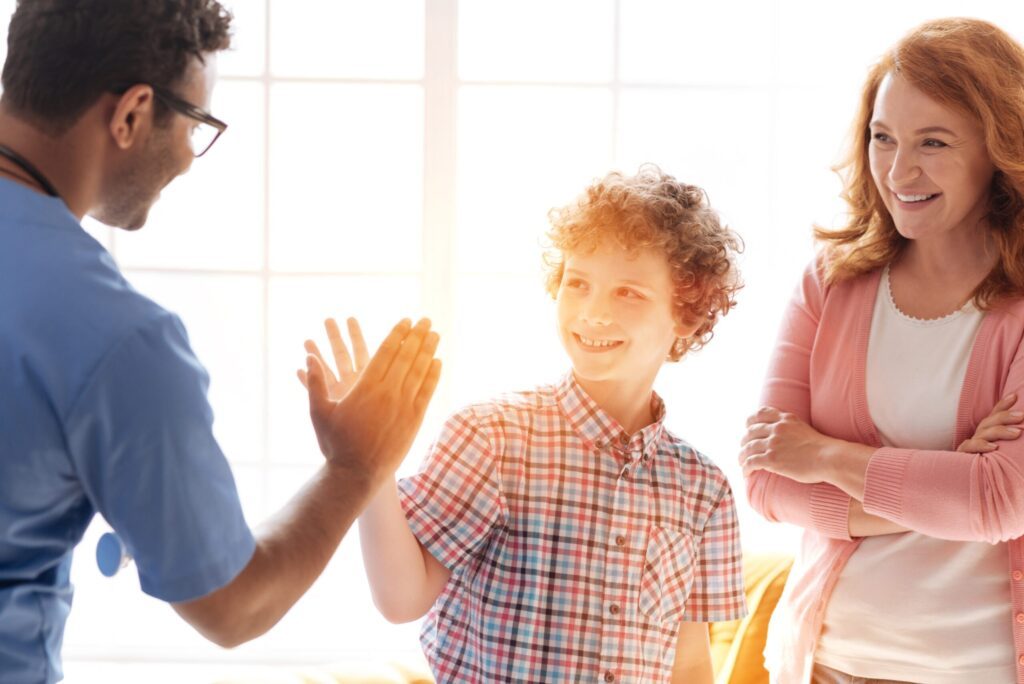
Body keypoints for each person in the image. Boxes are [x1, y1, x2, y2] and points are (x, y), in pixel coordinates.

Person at [0, 2, 441, 683]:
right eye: (196, 125)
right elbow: (233, 606)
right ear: (132, 114)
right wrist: (354, 467)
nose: (188, 158)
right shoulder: (120, 341)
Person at [305, 165, 748, 682]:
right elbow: (401, 599)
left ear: (686, 314)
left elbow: (690, 664)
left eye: (629, 292)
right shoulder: (491, 436)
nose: (594, 312)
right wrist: (369, 460)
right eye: (578, 283)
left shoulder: (704, 489)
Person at [739, 17, 1024, 684]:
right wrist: (947, 475)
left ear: (1000, 148)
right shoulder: (830, 282)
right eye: (883, 137)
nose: (900, 170)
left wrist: (824, 457)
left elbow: (1001, 502)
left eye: (934, 142)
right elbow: (765, 479)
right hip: (825, 665)